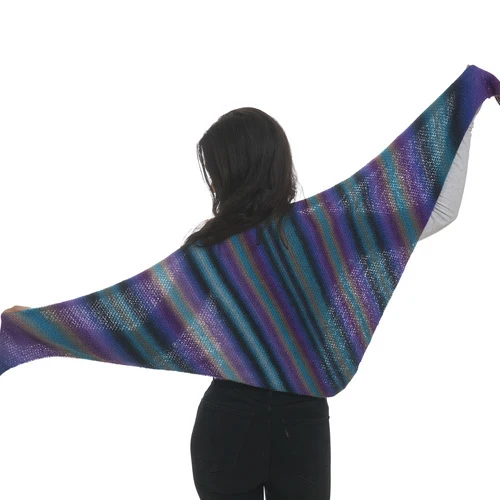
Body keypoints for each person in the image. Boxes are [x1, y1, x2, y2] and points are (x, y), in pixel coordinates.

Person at [2, 107, 476, 500]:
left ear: (230, 173)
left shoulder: (211, 253)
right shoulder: (323, 232)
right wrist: (466, 113)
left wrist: (36, 325)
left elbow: (131, 325)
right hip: (300, 425)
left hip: (229, 425)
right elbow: (438, 210)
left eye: (214, 170)